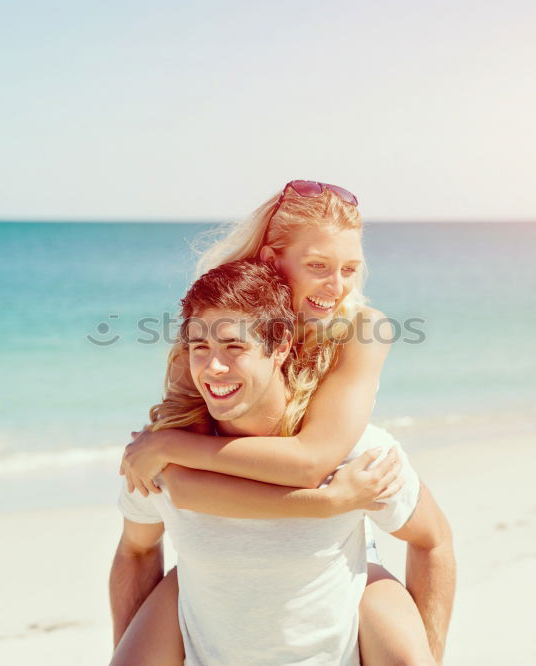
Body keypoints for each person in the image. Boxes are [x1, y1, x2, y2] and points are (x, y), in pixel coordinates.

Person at [118, 181, 455, 662]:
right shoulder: (214, 325)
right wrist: (167, 450)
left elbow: (312, 460)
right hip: (218, 565)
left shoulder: (360, 329)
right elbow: (184, 491)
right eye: (318, 265)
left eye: (349, 269)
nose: (337, 286)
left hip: (329, 538)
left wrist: (168, 446)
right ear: (272, 259)